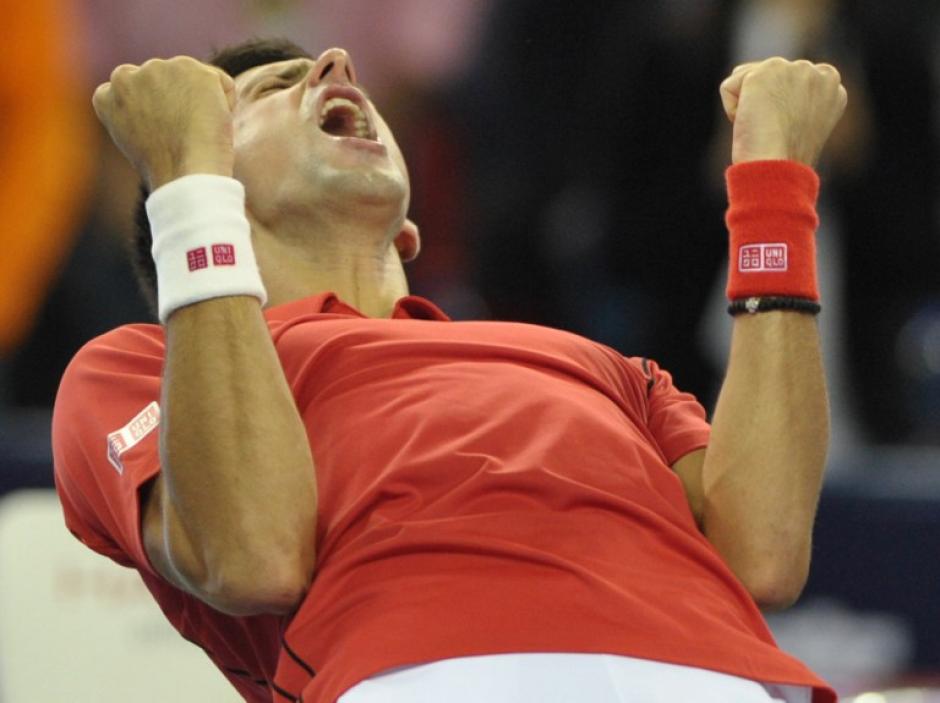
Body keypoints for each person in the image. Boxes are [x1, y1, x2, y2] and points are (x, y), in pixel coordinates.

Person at [52, 38, 845, 703]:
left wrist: (775, 187)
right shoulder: (142, 366)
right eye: (267, 90)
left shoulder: (606, 368)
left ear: (408, 233)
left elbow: (766, 553)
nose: (334, 64)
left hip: (721, 677)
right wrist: (188, 184)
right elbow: (251, 555)